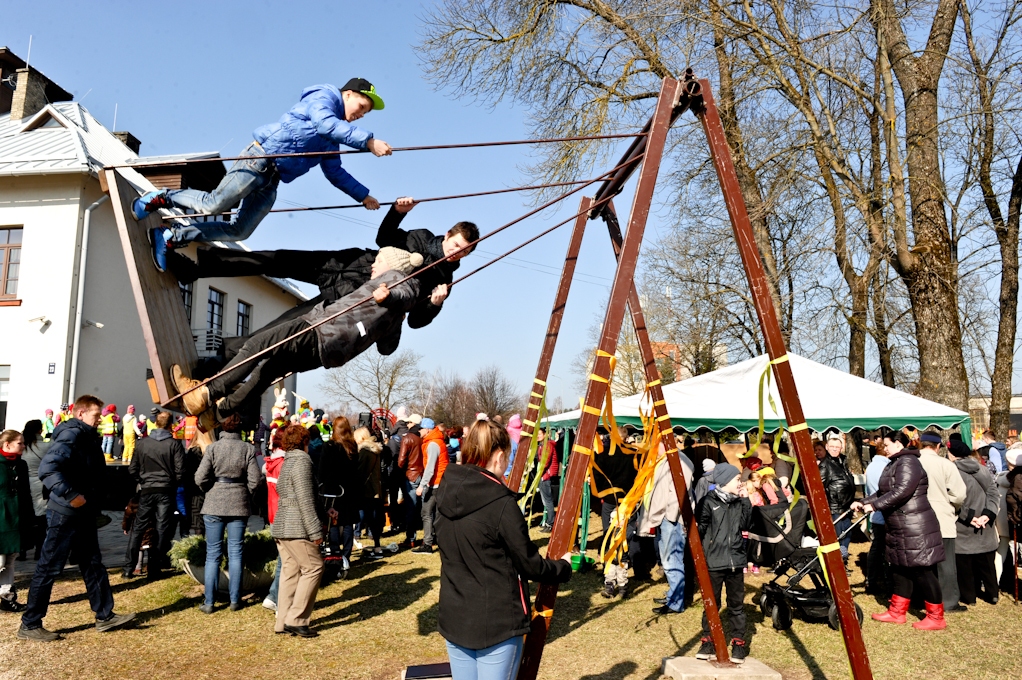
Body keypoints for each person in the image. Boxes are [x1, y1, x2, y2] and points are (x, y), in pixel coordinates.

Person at [167, 199, 479, 361]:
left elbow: (411, 320)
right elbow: (383, 236)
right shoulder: (421, 237)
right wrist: (397, 212)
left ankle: (226, 354)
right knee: (277, 259)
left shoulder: (442, 282)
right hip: (345, 262)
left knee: (285, 327)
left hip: (350, 297)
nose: (456, 254)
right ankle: (196, 267)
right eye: (455, 246)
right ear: (448, 235)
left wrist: (435, 306)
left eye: (463, 253)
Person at [135, 79, 392, 270]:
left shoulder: (331, 140)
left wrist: (364, 196)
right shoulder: (323, 98)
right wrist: (367, 141)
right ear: (348, 94)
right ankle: (162, 197)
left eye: (366, 113)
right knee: (216, 203)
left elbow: (335, 172)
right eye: (361, 106)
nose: (360, 115)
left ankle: (171, 236)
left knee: (240, 230)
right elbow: (325, 123)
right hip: (258, 158)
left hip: (272, 178)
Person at [173, 248, 424, 423]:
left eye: (378, 260)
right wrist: (395, 306)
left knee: (258, 345)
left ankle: (204, 394)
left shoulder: (398, 280)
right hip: (329, 353)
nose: (373, 264)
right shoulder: (396, 314)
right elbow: (387, 348)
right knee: (268, 371)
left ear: (392, 265)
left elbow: (405, 292)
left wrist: (390, 295)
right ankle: (218, 414)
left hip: (321, 329)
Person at [435, 420, 573, 680]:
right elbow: (530, 563)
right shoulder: (500, 504)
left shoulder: (445, 490)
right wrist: (563, 567)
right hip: (495, 623)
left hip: (456, 615)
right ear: (499, 456)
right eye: (508, 456)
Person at [18, 395, 135, 641]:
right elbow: (47, 469)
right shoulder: (72, 435)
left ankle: (105, 616)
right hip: (65, 513)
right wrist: (71, 495)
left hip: (82, 513)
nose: (100, 420)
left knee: (93, 564)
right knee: (49, 567)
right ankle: (30, 624)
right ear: (80, 413)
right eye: (96, 415)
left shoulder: (84, 434)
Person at [853, 431, 946, 630]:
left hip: (915, 527)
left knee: (922, 571)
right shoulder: (894, 462)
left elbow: (902, 491)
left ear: (898, 443)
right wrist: (863, 501)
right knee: (900, 568)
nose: (884, 448)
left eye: (886, 444)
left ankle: (936, 617)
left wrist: (875, 506)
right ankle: (897, 612)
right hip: (899, 526)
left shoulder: (908, 462)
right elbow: (883, 491)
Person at [194, 413, 261, 613]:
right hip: (238, 503)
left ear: (222, 427)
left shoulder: (213, 448)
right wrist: (244, 491)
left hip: (214, 502)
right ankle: (234, 600)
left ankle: (209, 602)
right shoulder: (247, 449)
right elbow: (255, 480)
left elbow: (199, 478)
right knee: (235, 553)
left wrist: (210, 489)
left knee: (212, 554)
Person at [694, 463, 752, 664]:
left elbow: (745, 525)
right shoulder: (708, 502)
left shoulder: (740, 502)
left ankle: (738, 642)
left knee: (736, 605)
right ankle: (708, 642)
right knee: (712, 604)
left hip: (735, 561)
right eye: (737, 479)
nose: (740, 482)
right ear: (725, 481)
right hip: (714, 561)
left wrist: (746, 500)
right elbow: (699, 530)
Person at [272, 424, 324, 638]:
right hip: (296, 527)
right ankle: (296, 619)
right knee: (314, 567)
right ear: (305, 441)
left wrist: (324, 509)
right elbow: (304, 499)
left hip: (282, 525)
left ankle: (282, 621)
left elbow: (285, 491)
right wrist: (315, 532)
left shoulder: (287, 461)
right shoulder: (302, 461)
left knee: (290, 571)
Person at [123, 411, 185, 580]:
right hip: (165, 489)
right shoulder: (174, 444)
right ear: (170, 425)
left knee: (139, 527)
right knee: (162, 528)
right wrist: (172, 482)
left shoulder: (143, 443)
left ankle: (129, 567)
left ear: (156, 423)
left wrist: (143, 480)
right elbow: (180, 470)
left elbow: (132, 468)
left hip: (147, 488)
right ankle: (154, 568)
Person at [640, 443, 695, 614]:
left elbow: (680, 492)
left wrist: (669, 516)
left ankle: (676, 602)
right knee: (669, 559)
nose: (653, 448)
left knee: (672, 560)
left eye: (657, 444)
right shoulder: (667, 460)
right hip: (667, 518)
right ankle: (674, 595)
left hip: (673, 520)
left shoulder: (679, 461)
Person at [917, 432, 968, 611]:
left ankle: (922, 598)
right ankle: (948, 601)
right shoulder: (946, 464)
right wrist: (950, 504)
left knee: (920, 561)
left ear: (921, 444)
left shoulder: (912, 462)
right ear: (938, 446)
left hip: (916, 520)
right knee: (945, 562)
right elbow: (959, 494)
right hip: (941, 518)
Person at [946, 440, 999, 605]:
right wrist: (987, 514)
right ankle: (992, 594)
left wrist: (969, 517)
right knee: (987, 564)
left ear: (951, 453)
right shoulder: (982, 468)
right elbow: (993, 493)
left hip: (963, 525)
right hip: (985, 524)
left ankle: (969, 597)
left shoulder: (952, 471)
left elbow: (955, 499)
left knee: (965, 566)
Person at [594, 426, 640, 599]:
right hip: (627, 500)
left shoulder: (605, 455)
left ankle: (612, 581)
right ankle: (621, 581)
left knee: (609, 536)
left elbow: (598, 475)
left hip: (611, 501)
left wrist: (602, 493)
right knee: (624, 539)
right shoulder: (634, 454)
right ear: (626, 438)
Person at [319, 416, 359, 580]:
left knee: (333, 522)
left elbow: (322, 471)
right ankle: (346, 555)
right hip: (349, 490)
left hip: (333, 491)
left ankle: (335, 555)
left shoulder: (329, 446)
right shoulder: (352, 446)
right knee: (348, 523)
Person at [0, 430, 33, 611]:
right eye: (20, 443)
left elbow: (26, 492)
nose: (23, 446)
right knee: (0, 562)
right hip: (1, 519)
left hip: (17, 518)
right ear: (7, 444)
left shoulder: (21, 464)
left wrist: (30, 517)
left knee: (10, 559)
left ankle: (7, 598)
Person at [818, 435, 855, 563]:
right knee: (837, 537)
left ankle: (843, 561)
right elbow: (819, 489)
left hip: (847, 507)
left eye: (837, 447)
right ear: (827, 447)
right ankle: (836, 563)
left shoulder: (842, 462)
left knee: (847, 535)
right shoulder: (825, 465)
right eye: (832, 447)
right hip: (834, 508)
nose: (835, 449)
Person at [414, 418, 448, 554]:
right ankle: (438, 541)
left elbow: (430, 468)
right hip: (440, 482)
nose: (419, 431)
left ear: (427, 429)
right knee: (437, 514)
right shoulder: (436, 441)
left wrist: (422, 485)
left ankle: (427, 544)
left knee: (426, 513)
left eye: (421, 429)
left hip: (436, 484)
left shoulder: (432, 444)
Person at [262, 428, 286, 612]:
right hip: (283, 515)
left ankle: (274, 596)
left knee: (283, 559)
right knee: (286, 561)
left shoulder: (271, 463)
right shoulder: (283, 464)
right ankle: (276, 597)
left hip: (272, 513)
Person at [864, 440, 891, 595]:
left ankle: (872, 580)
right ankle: (886, 583)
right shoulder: (885, 467)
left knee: (876, 548)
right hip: (883, 513)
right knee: (884, 549)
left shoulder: (871, 466)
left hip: (875, 514)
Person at [355, 427, 386, 559]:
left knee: (364, 517)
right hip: (375, 489)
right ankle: (377, 547)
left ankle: (356, 539)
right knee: (374, 519)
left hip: (366, 490)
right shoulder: (375, 450)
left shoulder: (365, 451)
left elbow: (360, 472)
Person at [20, 420, 49, 560]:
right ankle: (39, 550)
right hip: (41, 484)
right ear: (39, 430)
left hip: (24, 483)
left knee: (25, 518)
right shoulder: (46, 446)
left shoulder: (22, 446)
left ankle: (22, 551)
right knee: (41, 519)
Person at [397, 415, 424, 548]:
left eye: (408, 422)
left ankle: (411, 538)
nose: (407, 424)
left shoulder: (407, 438)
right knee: (424, 508)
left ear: (413, 423)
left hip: (410, 475)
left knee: (411, 508)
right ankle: (428, 537)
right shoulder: (423, 437)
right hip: (422, 474)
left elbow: (401, 460)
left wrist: (400, 470)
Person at [536, 428, 560, 533]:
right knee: (545, 501)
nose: (538, 436)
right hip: (543, 475)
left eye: (540, 434)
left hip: (546, 475)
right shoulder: (541, 445)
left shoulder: (547, 445)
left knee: (548, 501)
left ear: (545, 434)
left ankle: (551, 523)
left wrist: (540, 474)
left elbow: (545, 462)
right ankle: (548, 522)